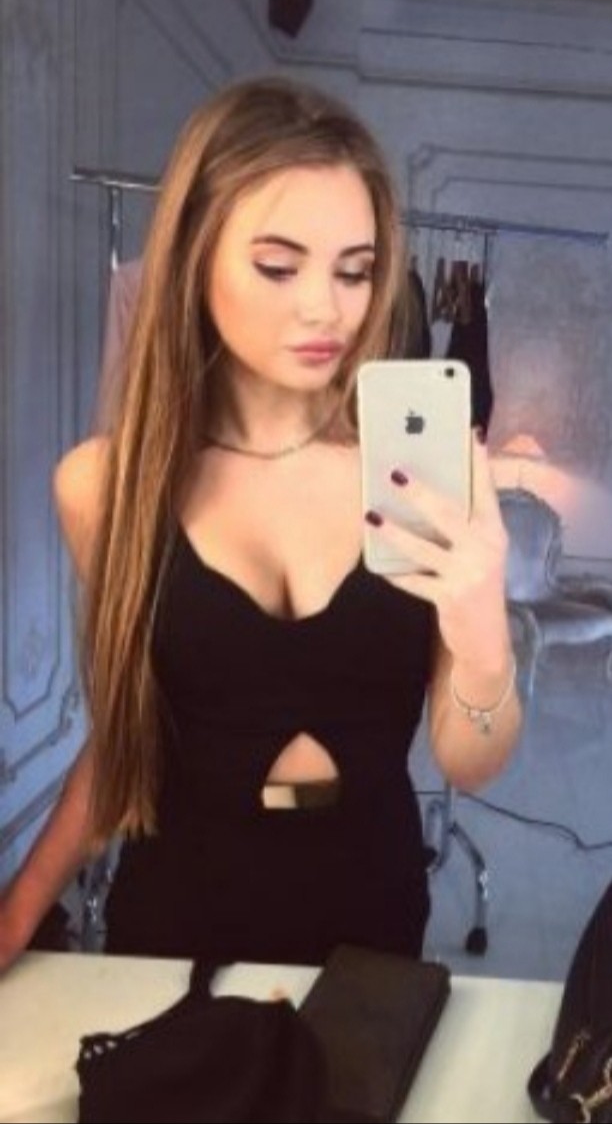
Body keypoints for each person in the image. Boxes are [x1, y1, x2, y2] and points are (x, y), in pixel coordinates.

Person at [0, 76, 521, 970]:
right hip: (175, 910)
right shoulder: (106, 486)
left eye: (355, 270)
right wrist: (17, 912)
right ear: (194, 256)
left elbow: (468, 763)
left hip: (370, 907)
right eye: (279, 266)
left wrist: (483, 637)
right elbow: (128, 740)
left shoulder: (420, 478)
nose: (326, 307)